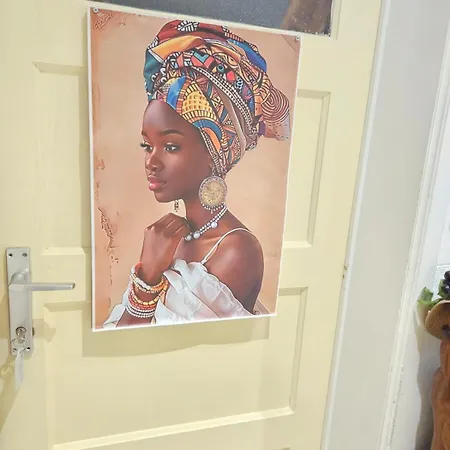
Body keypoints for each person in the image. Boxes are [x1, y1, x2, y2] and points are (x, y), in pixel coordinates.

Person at [103, 20, 290, 328]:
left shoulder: (236, 250)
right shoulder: (171, 236)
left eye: (171, 146)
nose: (151, 161)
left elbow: (160, 349)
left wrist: (148, 277)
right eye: (147, 145)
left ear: (213, 152)